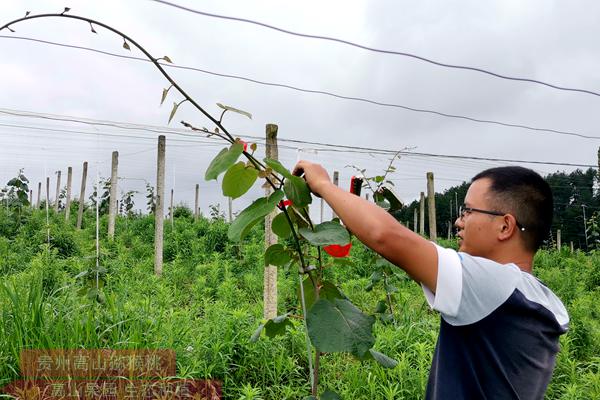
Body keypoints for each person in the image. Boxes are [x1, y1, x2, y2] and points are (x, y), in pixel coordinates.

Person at [293, 162, 569, 399]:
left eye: (469, 211)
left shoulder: (494, 285)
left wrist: (324, 184)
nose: (459, 222)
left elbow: (387, 237)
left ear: (505, 226)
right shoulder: (535, 298)